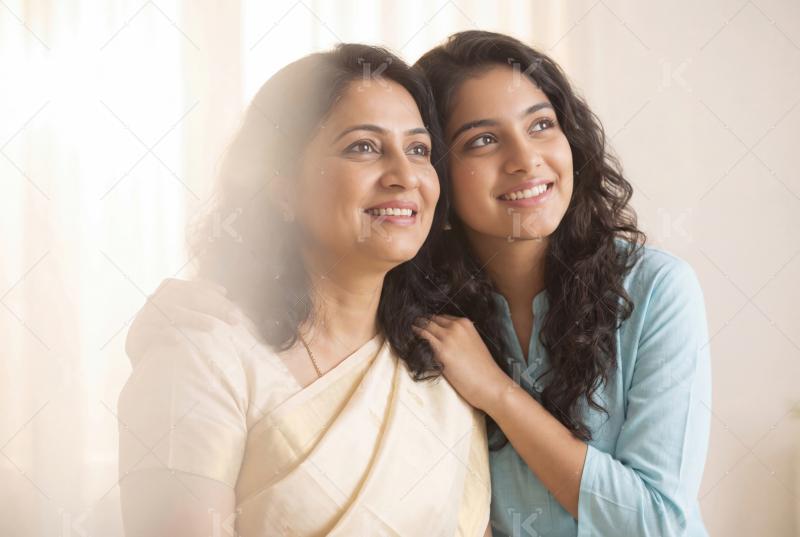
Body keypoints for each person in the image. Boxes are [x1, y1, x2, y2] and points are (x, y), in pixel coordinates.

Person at [117, 43, 491, 537]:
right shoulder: (200, 354)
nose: (405, 176)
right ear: (282, 188)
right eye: (363, 146)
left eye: (418, 150)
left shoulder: (442, 368)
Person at [412, 30, 711, 536]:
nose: (526, 160)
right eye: (483, 140)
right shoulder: (423, 313)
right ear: (435, 170)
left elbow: (657, 523)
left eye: (541, 125)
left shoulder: (658, 290)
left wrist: (497, 393)